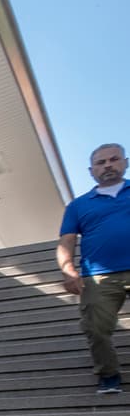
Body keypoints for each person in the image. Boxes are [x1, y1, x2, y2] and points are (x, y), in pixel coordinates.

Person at [57, 143, 130, 393]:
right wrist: (68, 269)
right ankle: (108, 375)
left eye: (114, 159)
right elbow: (66, 240)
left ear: (125, 163)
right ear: (91, 171)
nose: (108, 165)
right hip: (98, 275)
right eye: (101, 162)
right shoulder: (78, 206)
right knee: (95, 328)